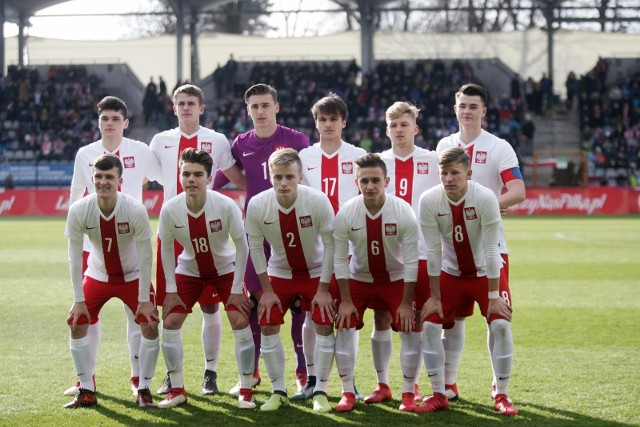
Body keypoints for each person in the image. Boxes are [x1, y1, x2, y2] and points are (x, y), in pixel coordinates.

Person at [150, 84, 246, 397]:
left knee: (210, 308)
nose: (186, 108)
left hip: (210, 230)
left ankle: (210, 373)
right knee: (170, 309)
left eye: (192, 103)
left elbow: (238, 177)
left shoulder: (216, 140)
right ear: (173, 107)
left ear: (201, 108)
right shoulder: (160, 141)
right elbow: (141, 176)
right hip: (173, 232)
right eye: (181, 103)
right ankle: (172, 377)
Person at [214, 83, 309, 396]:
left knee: (297, 303)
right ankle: (252, 372)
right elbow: (224, 177)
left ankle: (302, 371)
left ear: (276, 107)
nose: (260, 111)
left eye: (265, 105)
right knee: (254, 302)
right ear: (248, 110)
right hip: (256, 229)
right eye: (254, 106)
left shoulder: (296, 140)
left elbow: (309, 179)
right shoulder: (241, 143)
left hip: (293, 229)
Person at [64, 95, 161, 398]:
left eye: (115, 119)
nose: (109, 123)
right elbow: (76, 193)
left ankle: (138, 380)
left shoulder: (140, 151)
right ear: (99, 122)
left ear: (125, 123)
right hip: (95, 241)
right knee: (86, 316)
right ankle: (86, 380)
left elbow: (165, 178)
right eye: (104, 118)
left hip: (131, 240)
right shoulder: (85, 154)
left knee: (138, 318)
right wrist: (76, 229)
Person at [436, 83, 525, 402]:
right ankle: (448, 385)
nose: (467, 111)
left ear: (484, 111)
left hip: (490, 250)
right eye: (462, 105)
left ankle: (500, 390)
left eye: (474, 106)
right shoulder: (444, 144)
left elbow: (518, 189)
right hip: (452, 251)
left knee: (499, 321)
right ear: (455, 109)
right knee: (451, 322)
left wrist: (490, 204)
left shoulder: (499, 146)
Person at [418, 147, 518, 416]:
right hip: (451, 274)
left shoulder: (485, 197)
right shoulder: (429, 200)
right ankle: (440, 392)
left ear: (469, 173)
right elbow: (432, 251)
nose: (449, 178)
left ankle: (502, 394)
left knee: (500, 325)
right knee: (429, 325)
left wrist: (495, 296)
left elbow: (490, 249)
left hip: (486, 273)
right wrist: (435, 296)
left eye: (455, 173)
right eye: (444, 173)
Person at [156, 148, 254, 409]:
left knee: (239, 318)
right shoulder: (170, 209)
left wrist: (236, 290)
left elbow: (242, 246)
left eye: (198, 174)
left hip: (225, 270)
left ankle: (245, 390)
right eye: (186, 174)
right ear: (179, 176)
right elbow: (166, 248)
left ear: (209, 179)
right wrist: (171, 289)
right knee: (171, 320)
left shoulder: (225, 205)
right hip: (189, 270)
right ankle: (176, 389)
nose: (191, 179)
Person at [244, 148, 336, 412]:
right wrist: (267, 290)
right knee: (269, 323)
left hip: (316, 272)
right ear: (270, 176)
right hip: (280, 274)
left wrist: (322, 289)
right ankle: (278, 391)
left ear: (300, 176)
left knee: (324, 323)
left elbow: (330, 247)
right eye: (278, 177)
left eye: (289, 177)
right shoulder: (258, 204)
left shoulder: (317, 201)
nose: (284, 183)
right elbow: (256, 247)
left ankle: (320, 390)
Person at [333, 153, 421, 413]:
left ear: (387, 181)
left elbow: (413, 259)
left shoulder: (402, 210)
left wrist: (406, 302)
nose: (370, 186)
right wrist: (346, 301)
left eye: (375, 181)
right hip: (359, 280)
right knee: (346, 325)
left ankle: (407, 393)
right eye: (364, 181)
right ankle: (348, 391)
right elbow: (339, 259)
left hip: (395, 280)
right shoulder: (347, 212)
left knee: (407, 327)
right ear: (356, 182)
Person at [295, 93, 365, 401]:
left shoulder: (359, 156)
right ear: (315, 123)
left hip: (350, 246)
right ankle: (312, 379)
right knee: (313, 315)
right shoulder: (304, 157)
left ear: (344, 122)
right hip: (314, 248)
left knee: (348, 318)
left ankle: (349, 384)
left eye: (333, 119)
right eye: (322, 119)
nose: (327, 124)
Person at [376, 101, 440, 406]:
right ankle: (394, 385)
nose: (399, 130)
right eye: (393, 125)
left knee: (425, 323)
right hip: (389, 257)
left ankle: (435, 386)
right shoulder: (377, 163)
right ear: (386, 130)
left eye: (404, 125)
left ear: (415, 128)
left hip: (426, 254)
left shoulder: (433, 160)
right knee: (392, 322)